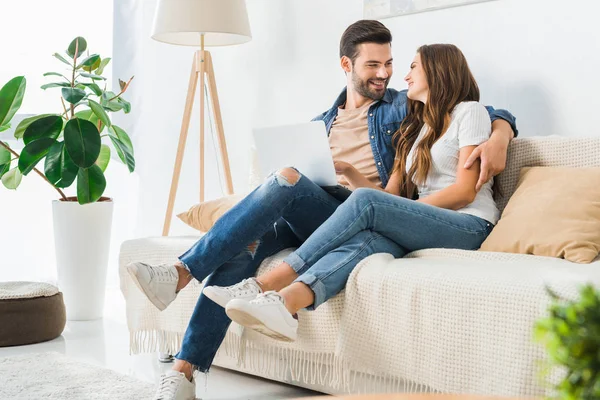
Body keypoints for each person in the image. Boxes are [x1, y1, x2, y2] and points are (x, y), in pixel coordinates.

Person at [127, 20, 517, 400]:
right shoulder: (322, 124)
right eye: (373, 65)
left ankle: (183, 273)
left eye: (391, 64)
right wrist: (340, 172)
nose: (385, 74)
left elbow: (477, 107)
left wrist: (501, 134)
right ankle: (182, 373)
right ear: (346, 65)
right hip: (321, 210)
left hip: (360, 209)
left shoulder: (403, 108)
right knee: (252, 234)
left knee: (290, 180)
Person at [222, 43, 500, 343]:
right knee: (365, 242)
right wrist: (349, 172)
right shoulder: (420, 129)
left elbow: (465, 191)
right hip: (431, 222)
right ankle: (284, 305)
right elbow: (391, 195)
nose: (404, 77)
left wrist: (402, 211)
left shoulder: (470, 112)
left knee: (368, 204)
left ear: (437, 70)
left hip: (469, 224)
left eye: (413, 67)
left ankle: (265, 284)